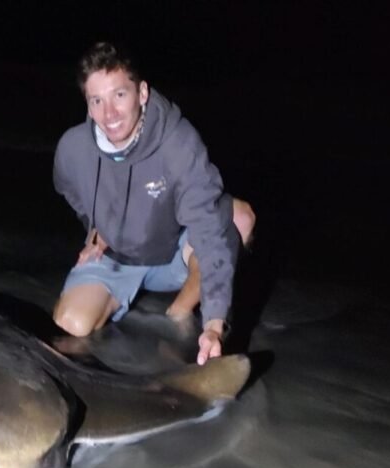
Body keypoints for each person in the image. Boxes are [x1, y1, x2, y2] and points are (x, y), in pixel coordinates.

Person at [52, 42, 255, 365]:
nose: (110, 113)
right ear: (88, 106)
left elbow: (207, 226)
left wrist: (215, 323)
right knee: (71, 325)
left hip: (173, 252)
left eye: (119, 95)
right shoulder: (73, 149)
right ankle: (119, 300)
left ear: (142, 93)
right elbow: (67, 188)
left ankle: (180, 311)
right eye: (97, 100)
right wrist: (95, 230)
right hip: (117, 257)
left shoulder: (178, 142)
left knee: (238, 219)